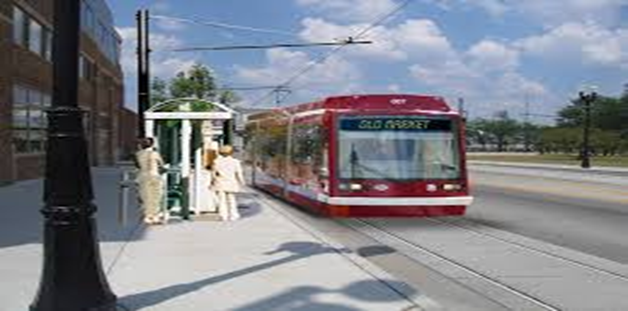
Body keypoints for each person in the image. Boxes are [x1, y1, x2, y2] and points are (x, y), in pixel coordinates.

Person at [135, 137, 165, 225]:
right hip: (154, 175)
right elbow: (161, 164)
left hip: (142, 176)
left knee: (145, 196)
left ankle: (147, 216)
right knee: (156, 196)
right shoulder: (155, 154)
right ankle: (155, 216)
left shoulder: (138, 154)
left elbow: (138, 165)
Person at [211, 145, 245, 221]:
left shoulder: (216, 161)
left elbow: (213, 173)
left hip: (220, 183)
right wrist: (242, 182)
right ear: (231, 153)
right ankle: (233, 215)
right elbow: (239, 173)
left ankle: (223, 216)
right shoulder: (235, 162)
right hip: (231, 183)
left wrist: (212, 182)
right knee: (231, 200)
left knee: (221, 201)